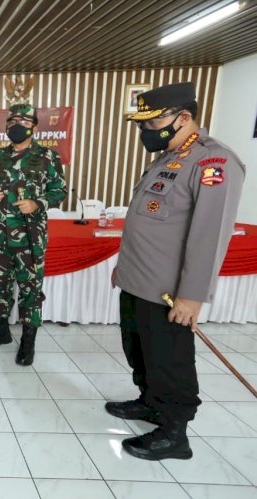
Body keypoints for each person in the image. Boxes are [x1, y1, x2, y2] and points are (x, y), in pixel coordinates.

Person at [108, 82, 245, 460]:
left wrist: (192, 295)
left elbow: (209, 235)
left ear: (184, 118)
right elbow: (148, 224)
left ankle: (173, 432)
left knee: (169, 359)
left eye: (152, 123)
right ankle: (149, 402)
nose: (145, 131)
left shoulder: (212, 162)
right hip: (139, 281)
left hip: (169, 290)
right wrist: (125, 268)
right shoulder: (167, 158)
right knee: (139, 350)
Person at [0, 103, 67, 365]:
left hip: (30, 236)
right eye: (12, 122)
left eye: (24, 122)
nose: (17, 127)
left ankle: (28, 340)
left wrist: (38, 203)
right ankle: (2, 329)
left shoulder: (48, 157)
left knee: (30, 289)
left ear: (34, 127)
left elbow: (59, 190)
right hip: (0, 234)